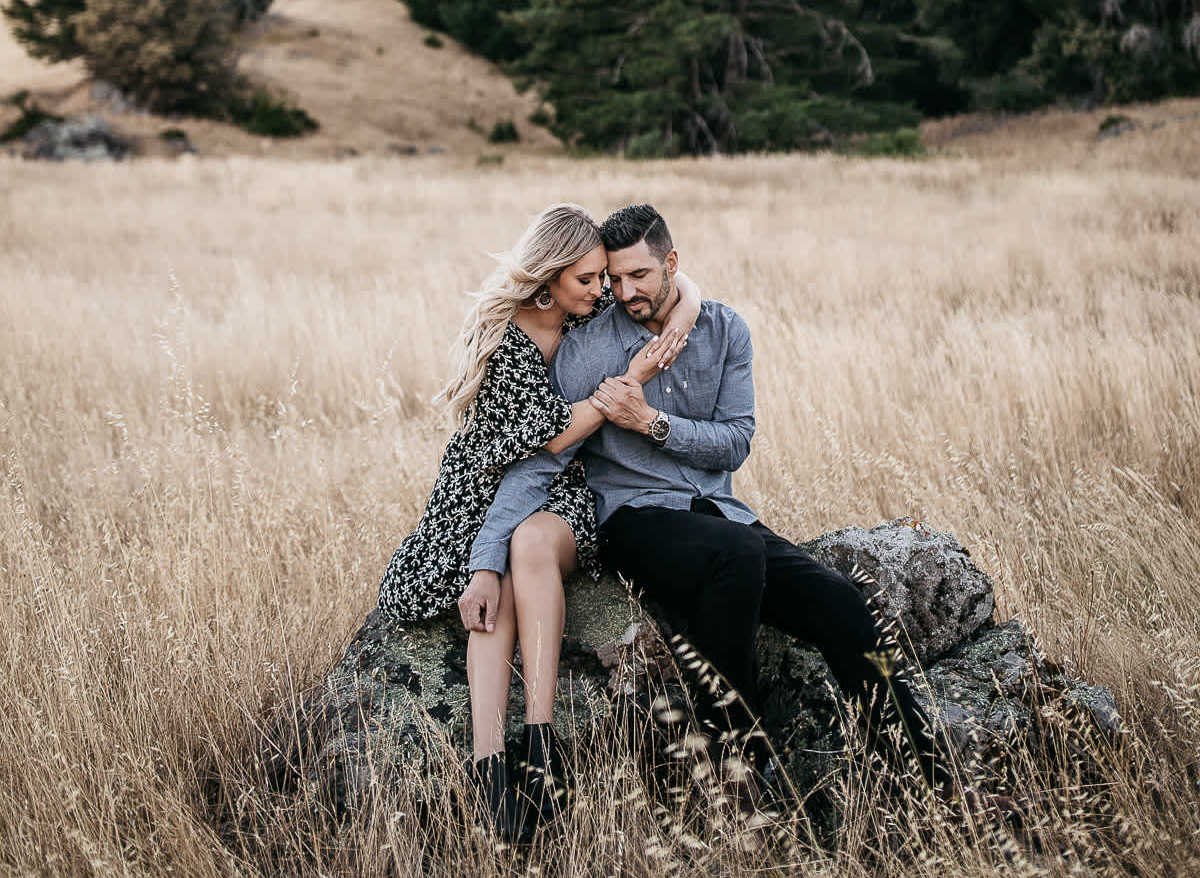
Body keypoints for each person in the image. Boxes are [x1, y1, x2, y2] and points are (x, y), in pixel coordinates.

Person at [467, 201, 944, 805]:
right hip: (635, 518)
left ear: (672, 264)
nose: (624, 290)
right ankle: (738, 759)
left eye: (638, 275)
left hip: (721, 513)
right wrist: (488, 558)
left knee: (841, 604)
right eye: (613, 278)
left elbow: (735, 443)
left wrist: (654, 423)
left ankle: (928, 776)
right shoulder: (586, 350)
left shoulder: (723, 330)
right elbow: (542, 462)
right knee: (735, 556)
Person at [376, 203, 700, 840]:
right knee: (486, 587)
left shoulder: (585, 315)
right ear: (548, 277)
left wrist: (682, 310)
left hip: (556, 489)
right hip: (486, 487)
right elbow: (547, 444)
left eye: (603, 279)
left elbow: (678, 282)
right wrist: (629, 378)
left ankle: (540, 750)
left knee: (522, 549)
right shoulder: (507, 345)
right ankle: (491, 768)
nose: (603, 292)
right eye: (587, 280)